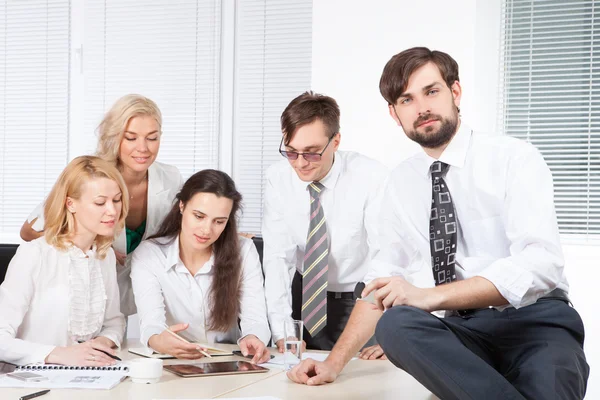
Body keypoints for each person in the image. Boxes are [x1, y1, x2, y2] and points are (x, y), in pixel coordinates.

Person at [286, 47, 590, 400]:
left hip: (535, 321)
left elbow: (542, 263)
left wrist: (427, 297)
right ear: (394, 113)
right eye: (406, 100)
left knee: (549, 384)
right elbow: (380, 282)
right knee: (396, 324)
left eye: (431, 92)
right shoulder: (399, 183)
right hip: (461, 332)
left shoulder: (513, 158)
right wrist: (334, 363)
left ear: (455, 92)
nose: (422, 108)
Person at [20, 94, 183, 316]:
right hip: (85, 289)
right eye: (131, 138)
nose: (143, 148)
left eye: (152, 138)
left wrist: (227, 234)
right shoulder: (92, 174)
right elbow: (29, 232)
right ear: (115, 137)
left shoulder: (170, 178)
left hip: (142, 294)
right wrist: (94, 246)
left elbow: (186, 223)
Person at [263, 91, 388, 351]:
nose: (299, 164)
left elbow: (385, 256)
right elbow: (277, 258)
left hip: (359, 299)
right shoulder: (278, 178)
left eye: (311, 153)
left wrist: (387, 325)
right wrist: (281, 329)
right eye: (291, 151)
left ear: (336, 141)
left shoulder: (371, 176)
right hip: (303, 298)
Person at [131, 169, 271, 364]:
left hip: (228, 363)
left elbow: (255, 317)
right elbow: (151, 324)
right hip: (173, 362)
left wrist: (254, 337)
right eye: (198, 216)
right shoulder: (150, 254)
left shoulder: (244, 251)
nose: (206, 230)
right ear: (181, 206)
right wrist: (158, 340)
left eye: (219, 221)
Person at [0, 156, 127, 366]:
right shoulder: (34, 255)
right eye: (100, 202)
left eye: (117, 200)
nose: (112, 211)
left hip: (90, 377)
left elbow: (114, 321)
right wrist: (57, 354)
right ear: (71, 204)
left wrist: (99, 344)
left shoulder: (105, 256)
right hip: (33, 382)